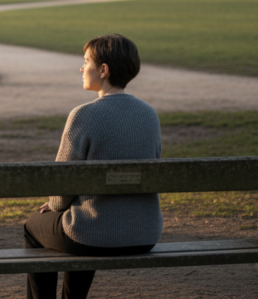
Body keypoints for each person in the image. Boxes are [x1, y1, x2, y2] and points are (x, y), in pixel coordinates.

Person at [23, 34, 163, 299]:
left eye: (86, 61)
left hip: (94, 235)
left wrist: (53, 206)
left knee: (35, 227)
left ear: (103, 70)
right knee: (80, 220)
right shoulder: (149, 114)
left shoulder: (83, 115)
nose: (81, 68)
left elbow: (60, 191)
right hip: (145, 234)